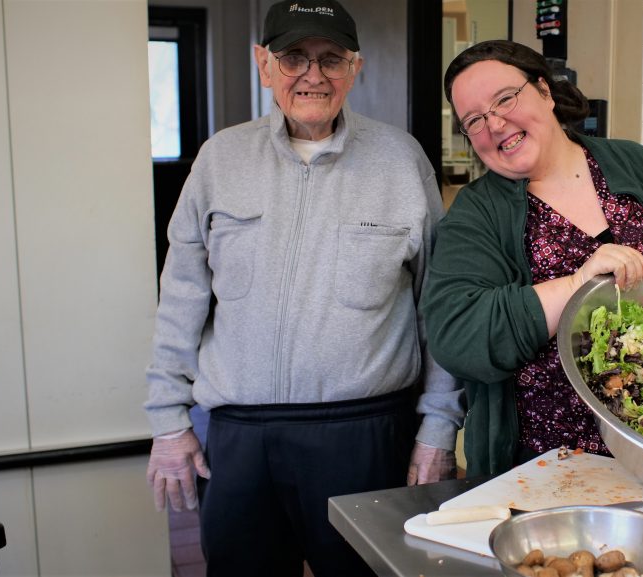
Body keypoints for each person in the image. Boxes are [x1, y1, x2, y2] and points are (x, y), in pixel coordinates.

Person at [143, 1, 463, 575]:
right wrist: (168, 419)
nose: (312, 76)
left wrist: (438, 426)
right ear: (264, 64)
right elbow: (182, 296)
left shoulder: (401, 160)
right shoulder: (220, 158)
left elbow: (434, 308)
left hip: (365, 433)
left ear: (355, 68)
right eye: (293, 58)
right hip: (239, 435)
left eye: (331, 59)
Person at [423, 40, 643, 478]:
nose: (495, 123)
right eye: (474, 120)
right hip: (554, 470)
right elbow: (457, 335)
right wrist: (577, 287)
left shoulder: (637, 164)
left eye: (504, 99)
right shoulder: (476, 215)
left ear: (544, 90)